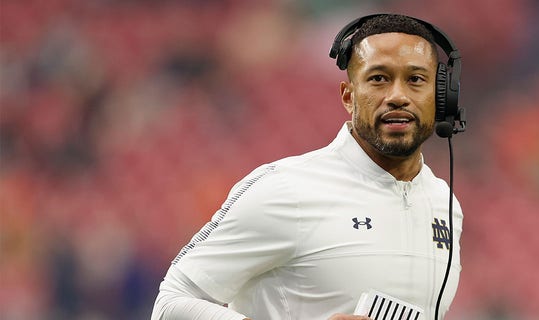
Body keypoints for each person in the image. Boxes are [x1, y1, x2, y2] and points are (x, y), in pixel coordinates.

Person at [151, 14, 463, 320]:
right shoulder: (285, 189)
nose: (397, 96)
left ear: (440, 97)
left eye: (416, 79)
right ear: (349, 97)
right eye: (378, 78)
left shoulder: (444, 203)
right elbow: (170, 304)